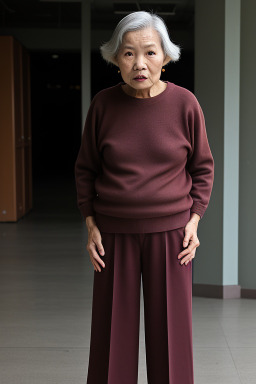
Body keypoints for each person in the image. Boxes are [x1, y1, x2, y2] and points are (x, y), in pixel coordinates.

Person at [75, 10, 214, 384]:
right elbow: (86, 169)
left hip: (172, 236)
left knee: (171, 337)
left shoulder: (185, 104)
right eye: (128, 53)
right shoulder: (103, 106)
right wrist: (90, 225)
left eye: (150, 53)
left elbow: (202, 167)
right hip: (112, 234)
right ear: (115, 59)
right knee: (110, 337)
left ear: (165, 57)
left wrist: (195, 220)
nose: (140, 64)